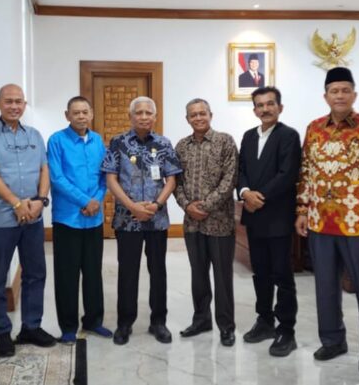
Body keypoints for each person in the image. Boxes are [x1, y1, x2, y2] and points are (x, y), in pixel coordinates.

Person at [295, 67, 359, 376]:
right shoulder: (314, 128)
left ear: (354, 94)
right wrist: (302, 210)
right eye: (334, 91)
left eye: (345, 90)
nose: (339, 95)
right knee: (325, 287)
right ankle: (333, 341)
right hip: (320, 223)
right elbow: (306, 172)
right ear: (325, 96)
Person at [0, 84, 56, 357]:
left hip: (33, 217)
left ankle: (31, 326)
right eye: (8, 101)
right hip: (0, 219)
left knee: (36, 273)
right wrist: (16, 203)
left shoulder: (34, 135)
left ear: (24, 104)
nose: (14, 106)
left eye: (18, 101)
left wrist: (41, 200)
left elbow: (45, 169)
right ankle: (1, 331)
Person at [102, 96, 182, 346]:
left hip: (156, 219)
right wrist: (132, 206)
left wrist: (156, 204)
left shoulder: (164, 143)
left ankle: (158, 322)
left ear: (155, 117)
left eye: (149, 113)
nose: (144, 116)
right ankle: (125, 323)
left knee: (158, 271)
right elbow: (111, 179)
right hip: (127, 220)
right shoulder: (118, 142)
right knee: (127, 272)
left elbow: (171, 179)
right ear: (131, 116)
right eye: (139, 112)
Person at [237, 86, 301, 357]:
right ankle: (264, 321)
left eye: (270, 104)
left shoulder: (289, 136)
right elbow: (241, 170)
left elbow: (287, 174)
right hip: (254, 217)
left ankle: (286, 330)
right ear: (254, 110)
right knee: (260, 272)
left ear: (280, 107)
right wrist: (244, 193)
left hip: (277, 216)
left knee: (282, 275)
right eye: (260, 105)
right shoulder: (248, 136)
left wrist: (258, 196)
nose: (265, 109)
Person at [47, 96, 112, 344]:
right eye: (76, 112)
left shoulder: (98, 141)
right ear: (67, 115)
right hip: (68, 219)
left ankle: (94, 321)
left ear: (91, 114)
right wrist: (85, 201)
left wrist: (96, 200)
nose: (81, 116)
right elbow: (57, 178)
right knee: (67, 275)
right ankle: (68, 327)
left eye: (85, 112)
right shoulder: (57, 140)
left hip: (94, 219)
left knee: (93, 272)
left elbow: (105, 177)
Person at [174, 98, 239, 347]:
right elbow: (176, 181)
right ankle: (201, 320)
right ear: (187, 119)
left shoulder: (225, 141)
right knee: (198, 274)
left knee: (222, 277)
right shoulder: (181, 146)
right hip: (192, 224)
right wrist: (187, 205)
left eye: (202, 113)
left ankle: (226, 326)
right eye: (193, 115)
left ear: (211, 115)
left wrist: (205, 206)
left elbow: (230, 179)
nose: (198, 118)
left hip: (220, 223)